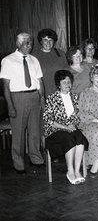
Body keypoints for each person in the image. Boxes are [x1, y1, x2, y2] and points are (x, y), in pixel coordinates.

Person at [0, 33, 45, 174]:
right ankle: (18, 163)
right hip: (17, 98)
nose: (29, 46)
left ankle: (36, 158)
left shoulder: (34, 60)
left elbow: (40, 81)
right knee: (18, 133)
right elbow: (6, 86)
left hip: (34, 97)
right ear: (18, 44)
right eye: (26, 43)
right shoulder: (8, 60)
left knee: (35, 131)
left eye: (31, 43)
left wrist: (42, 98)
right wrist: (10, 106)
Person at [43, 70, 88, 184]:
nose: (68, 85)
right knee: (69, 139)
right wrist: (65, 127)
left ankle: (77, 171)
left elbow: (78, 115)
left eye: (69, 82)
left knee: (80, 138)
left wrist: (72, 125)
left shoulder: (75, 97)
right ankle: (70, 171)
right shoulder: (52, 98)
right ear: (58, 84)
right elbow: (48, 120)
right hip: (55, 130)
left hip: (71, 128)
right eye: (64, 82)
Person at [32, 28, 68, 98]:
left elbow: (66, 73)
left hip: (59, 93)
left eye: (50, 40)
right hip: (41, 94)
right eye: (45, 40)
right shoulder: (34, 56)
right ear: (41, 41)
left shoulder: (60, 54)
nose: (48, 43)